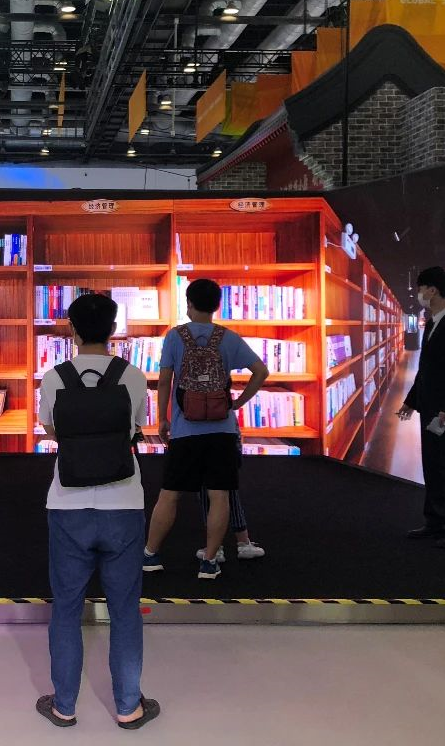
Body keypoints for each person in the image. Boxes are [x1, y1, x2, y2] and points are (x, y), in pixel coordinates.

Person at [36, 293, 161, 731]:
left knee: (66, 608)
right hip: (123, 503)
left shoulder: (54, 378)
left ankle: (64, 706)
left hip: (67, 504)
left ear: (71, 330)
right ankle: (128, 707)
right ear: (113, 329)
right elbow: (136, 428)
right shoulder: (134, 376)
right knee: (125, 608)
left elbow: (51, 429)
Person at [142, 278, 270, 580]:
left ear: (189, 304)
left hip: (185, 430)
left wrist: (163, 419)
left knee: (169, 495)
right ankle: (210, 562)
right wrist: (237, 403)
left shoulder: (175, 337)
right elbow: (261, 371)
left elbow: (164, 381)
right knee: (219, 496)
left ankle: (151, 555)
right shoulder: (229, 338)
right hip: (222, 430)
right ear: (217, 306)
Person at [396, 266, 445, 549]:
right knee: (432, 465)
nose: (418, 293)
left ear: (433, 290)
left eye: (421, 288)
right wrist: (411, 401)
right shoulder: (431, 323)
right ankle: (435, 522)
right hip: (429, 408)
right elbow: (426, 369)